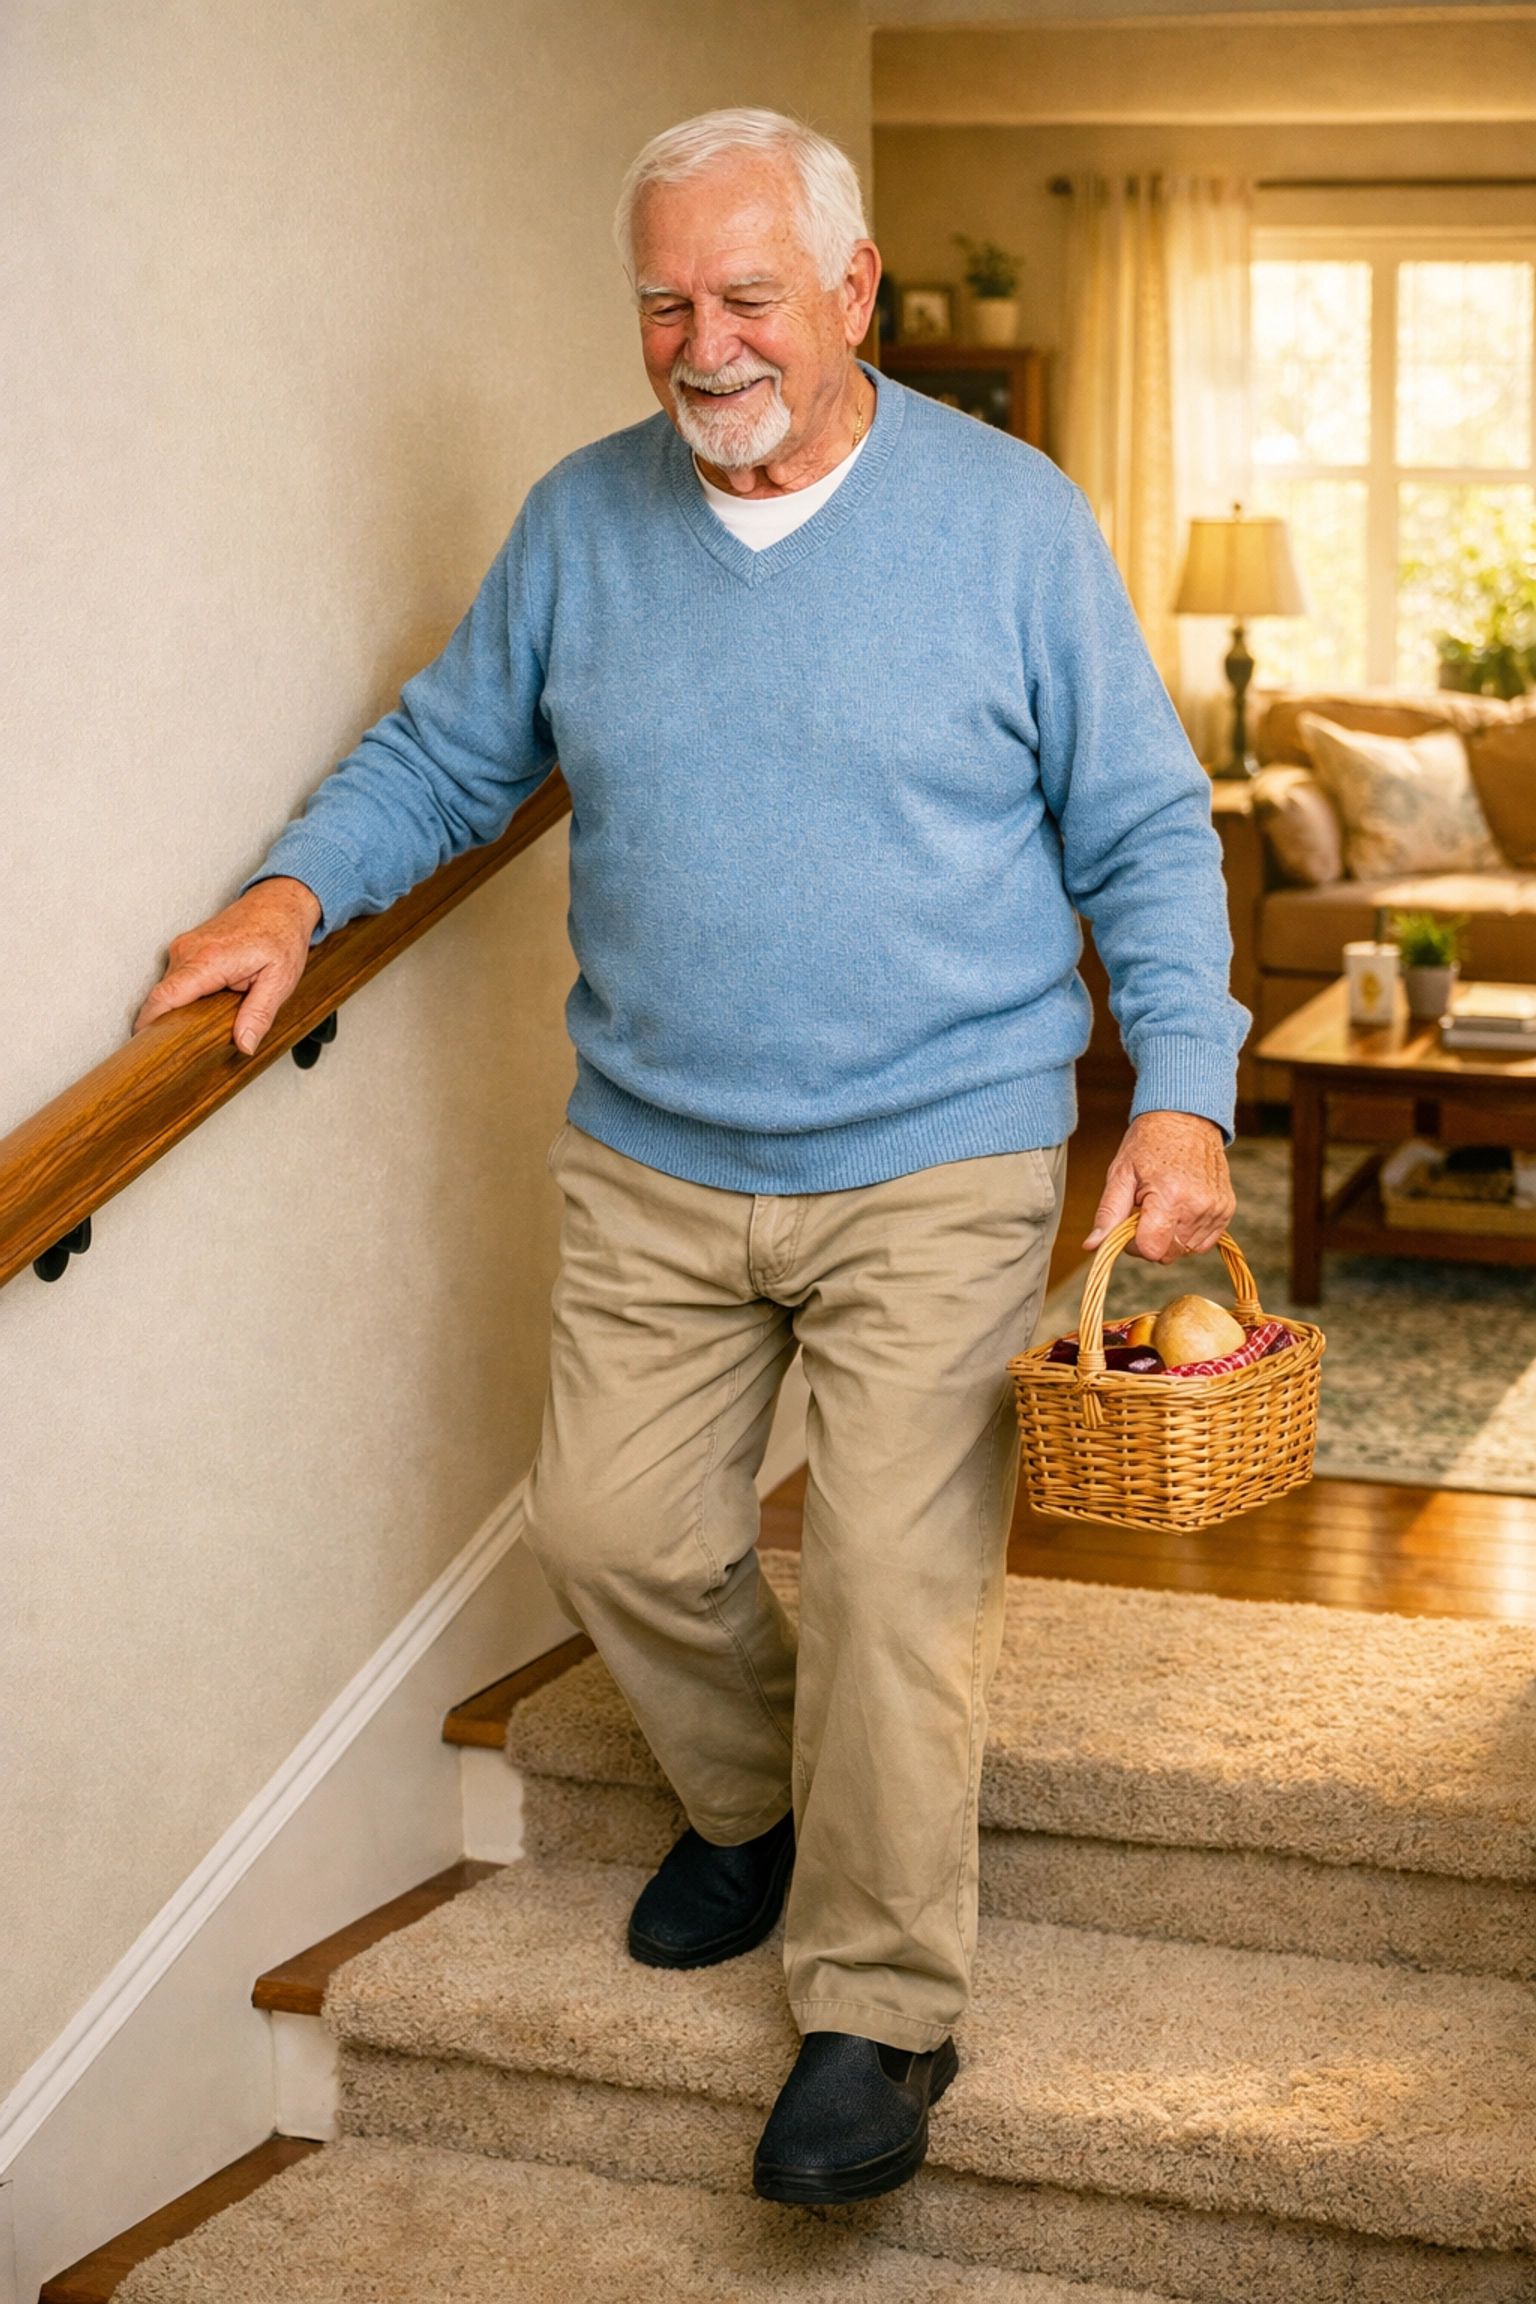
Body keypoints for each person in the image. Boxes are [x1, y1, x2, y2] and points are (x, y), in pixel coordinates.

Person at [137, 109, 1243, 2206]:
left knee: (905, 1593)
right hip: (655, 1146)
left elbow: (1145, 830)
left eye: (748, 298)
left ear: (852, 292)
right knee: (617, 1532)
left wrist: (1179, 1087)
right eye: (665, 301)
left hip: (943, 1145)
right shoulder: (584, 523)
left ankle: (879, 2013)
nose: (702, 342)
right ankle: (752, 1798)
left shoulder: (1008, 525)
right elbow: (451, 753)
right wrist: (291, 896)